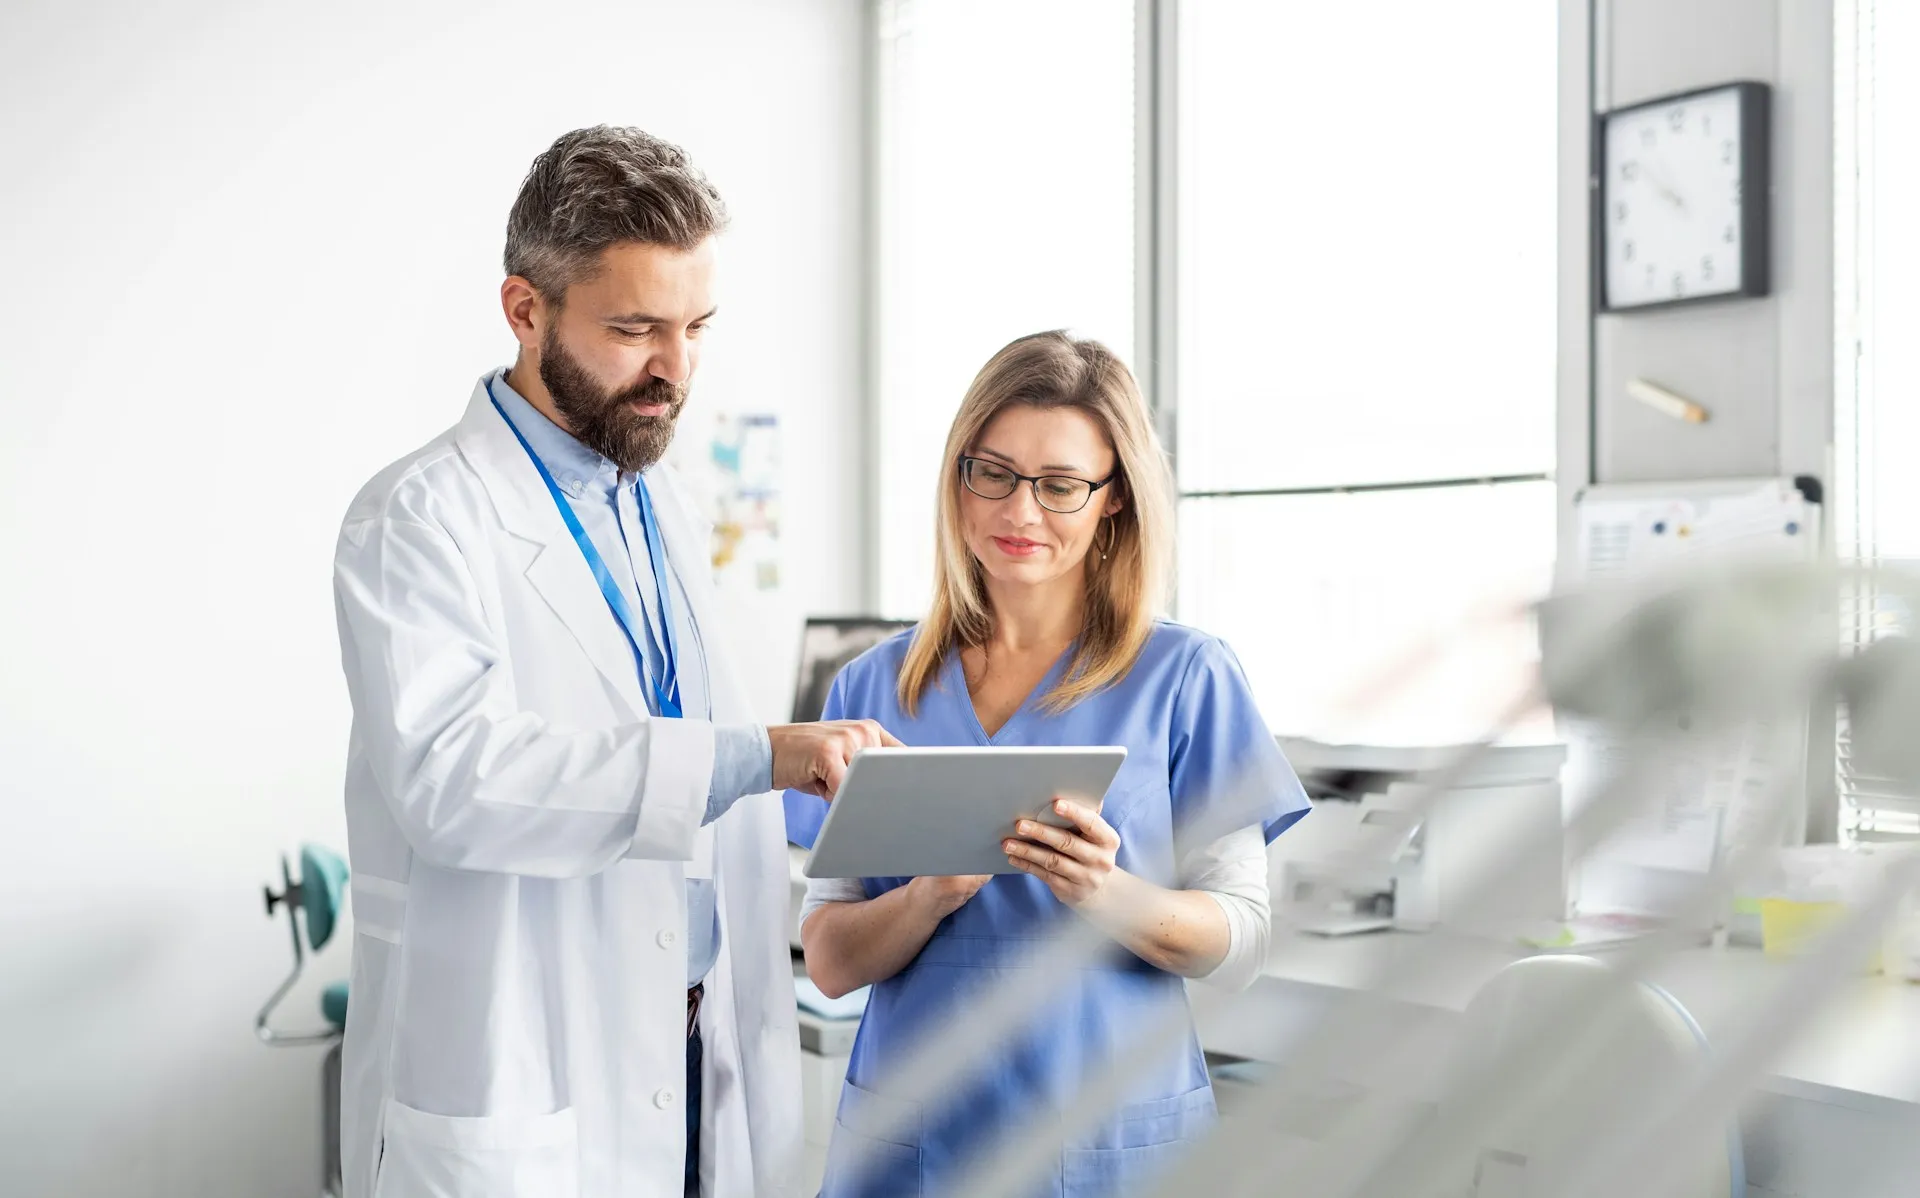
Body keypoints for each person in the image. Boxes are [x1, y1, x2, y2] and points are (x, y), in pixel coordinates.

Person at [332, 126, 897, 1198]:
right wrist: (753, 757)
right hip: (535, 1077)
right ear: (525, 309)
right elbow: (455, 781)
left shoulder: (655, 500)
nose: (674, 369)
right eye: (635, 327)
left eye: (695, 327)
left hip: (689, 1060)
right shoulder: (419, 517)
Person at [790, 331, 1312, 1196]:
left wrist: (1104, 891)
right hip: (915, 1144)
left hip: (1113, 1137)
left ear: (1114, 499)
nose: (1019, 512)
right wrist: (926, 898)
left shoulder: (1186, 677)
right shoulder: (871, 685)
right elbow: (832, 959)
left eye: (1061, 486)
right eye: (991, 473)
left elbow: (1242, 941)